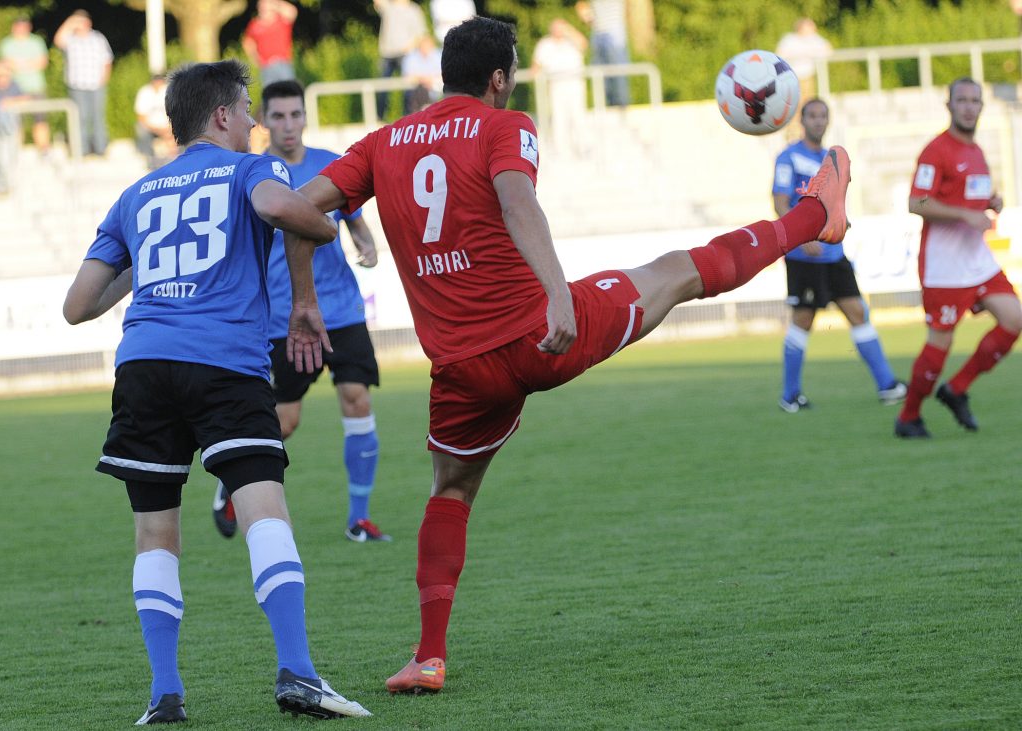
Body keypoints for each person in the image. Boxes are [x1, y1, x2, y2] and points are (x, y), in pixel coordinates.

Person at [283, 17, 853, 694]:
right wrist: (558, 294)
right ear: (499, 78)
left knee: (451, 492)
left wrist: (303, 299)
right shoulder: (504, 125)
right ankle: (815, 217)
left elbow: (297, 209)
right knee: (677, 272)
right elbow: (516, 199)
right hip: (541, 335)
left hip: (461, 370)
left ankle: (429, 656)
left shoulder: (382, 144)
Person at [61, 60, 371, 723]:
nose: (257, 122)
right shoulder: (251, 168)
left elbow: (78, 305)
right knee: (265, 513)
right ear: (222, 115)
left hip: (144, 366)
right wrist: (324, 230)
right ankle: (299, 673)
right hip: (224, 363)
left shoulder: (136, 193)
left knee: (155, 534)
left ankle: (164, 695)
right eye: (249, 110)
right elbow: (281, 210)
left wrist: (148, 263)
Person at [212, 79, 390, 544]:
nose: (289, 124)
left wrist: (367, 245)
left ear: (305, 118)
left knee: (357, 399)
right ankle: (231, 479)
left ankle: (359, 519)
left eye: (296, 114)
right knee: (285, 420)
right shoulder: (252, 174)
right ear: (263, 122)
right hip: (284, 318)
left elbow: (354, 221)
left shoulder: (331, 164)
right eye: (278, 116)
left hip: (342, 309)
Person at [895, 77, 1021, 438]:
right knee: (941, 343)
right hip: (944, 266)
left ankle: (957, 388)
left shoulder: (976, 152)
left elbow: (969, 196)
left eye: (975, 100)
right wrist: (965, 214)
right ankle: (908, 417)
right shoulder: (936, 151)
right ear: (949, 105)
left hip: (977, 260)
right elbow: (916, 201)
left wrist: (990, 202)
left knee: (1014, 319)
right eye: (962, 100)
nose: (969, 107)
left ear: (982, 106)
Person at [772, 98, 906, 412]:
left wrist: (840, 222)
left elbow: (832, 206)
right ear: (802, 121)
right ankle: (790, 396)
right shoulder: (788, 158)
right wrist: (801, 236)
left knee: (858, 312)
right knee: (803, 320)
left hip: (834, 255)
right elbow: (780, 203)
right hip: (804, 257)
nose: (818, 121)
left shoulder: (829, 160)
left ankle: (887, 385)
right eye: (812, 116)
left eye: (823, 116)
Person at [54, 9, 112, 156]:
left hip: (96, 84)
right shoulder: (70, 39)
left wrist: (104, 79)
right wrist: (70, 22)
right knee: (80, 118)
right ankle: (82, 150)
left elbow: (107, 60)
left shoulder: (98, 38)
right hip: (77, 85)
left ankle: (100, 148)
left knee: (98, 117)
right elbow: (58, 40)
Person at [531, 18, 588, 156]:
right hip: (556, 85)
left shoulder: (572, 41)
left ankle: (582, 146)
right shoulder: (545, 44)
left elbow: (584, 44)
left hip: (575, 83)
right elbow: (536, 65)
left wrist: (569, 30)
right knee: (559, 117)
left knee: (578, 115)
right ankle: (561, 150)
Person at [0, 16, 50, 154]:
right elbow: (6, 64)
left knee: (40, 120)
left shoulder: (36, 41)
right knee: (15, 122)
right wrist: (29, 63)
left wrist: (19, 64)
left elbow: (42, 62)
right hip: (15, 89)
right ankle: (16, 152)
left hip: (36, 87)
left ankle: (44, 151)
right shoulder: (6, 43)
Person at [373, 0, 427, 119]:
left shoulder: (414, 10)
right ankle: (380, 117)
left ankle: (408, 117)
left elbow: (420, 34)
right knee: (382, 87)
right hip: (387, 53)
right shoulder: (388, 6)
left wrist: (410, 47)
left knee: (408, 87)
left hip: (405, 53)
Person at [776, 17, 832, 128]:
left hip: (807, 77)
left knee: (808, 106)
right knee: (792, 106)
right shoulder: (789, 40)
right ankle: (792, 131)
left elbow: (828, 50)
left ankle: (805, 130)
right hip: (791, 78)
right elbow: (779, 54)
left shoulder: (814, 40)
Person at [575, 0, 629, 106]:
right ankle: (607, 104)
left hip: (613, 31)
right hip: (598, 31)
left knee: (617, 72)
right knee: (600, 74)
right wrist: (588, 16)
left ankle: (621, 105)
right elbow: (581, 5)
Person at [242, 0, 298, 87]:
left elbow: (292, 11)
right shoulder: (255, 24)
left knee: (288, 90)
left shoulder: (282, 19)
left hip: (283, 63)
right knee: (270, 92)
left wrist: (275, 3)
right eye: (261, 5)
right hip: (266, 66)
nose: (263, 7)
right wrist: (255, 58)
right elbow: (248, 42)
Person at [134, 74, 177, 170]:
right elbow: (141, 117)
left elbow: (176, 113)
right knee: (141, 129)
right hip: (150, 126)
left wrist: (169, 128)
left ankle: (173, 160)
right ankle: (150, 157)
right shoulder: (144, 92)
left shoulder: (168, 91)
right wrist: (158, 130)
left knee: (177, 131)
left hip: (167, 126)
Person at [0, 60, 27, 195]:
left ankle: (8, 185)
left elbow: (26, 98)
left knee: (9, 159)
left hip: (10, 133)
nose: (2, 79)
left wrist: (11, 102)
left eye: (4, 75)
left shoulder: (14, 86)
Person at [402, 34, 443, 114]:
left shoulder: (438, 55)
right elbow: (408, 76)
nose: (425, 48)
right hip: (415, 92)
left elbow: (443, 74)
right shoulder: (411, 57)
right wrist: (425, 80)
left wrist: (426, 80)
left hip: (435, 90)